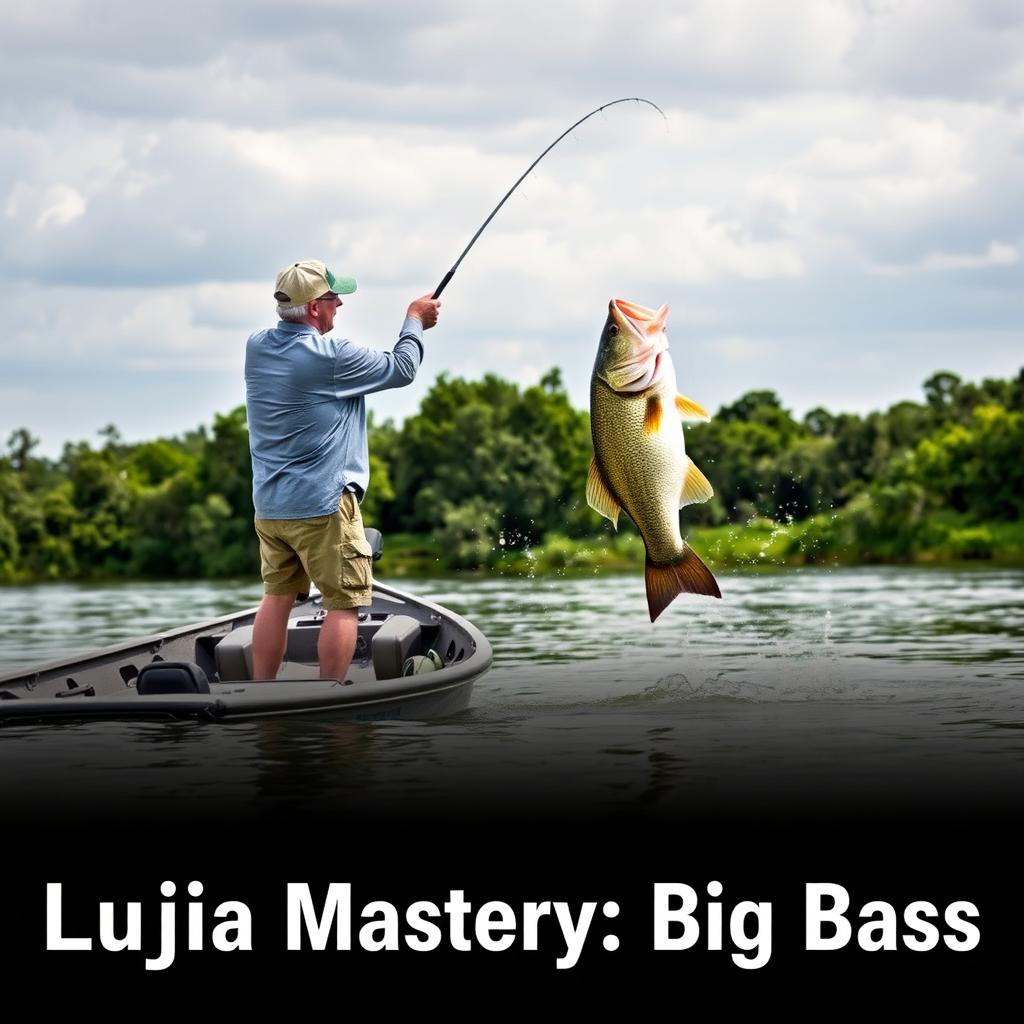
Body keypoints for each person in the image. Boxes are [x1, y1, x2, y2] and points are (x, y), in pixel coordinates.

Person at [244, 259, 440, 680]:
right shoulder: (330, 356)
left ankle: (260, 691)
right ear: (314, 307)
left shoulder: (256, 347)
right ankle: (330, 692)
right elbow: (402, 369)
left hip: (271, 508)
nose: (340, 306)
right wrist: (414, 322)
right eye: (334, 298)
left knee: (276, 597)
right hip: (323, 507)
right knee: (345, 603)